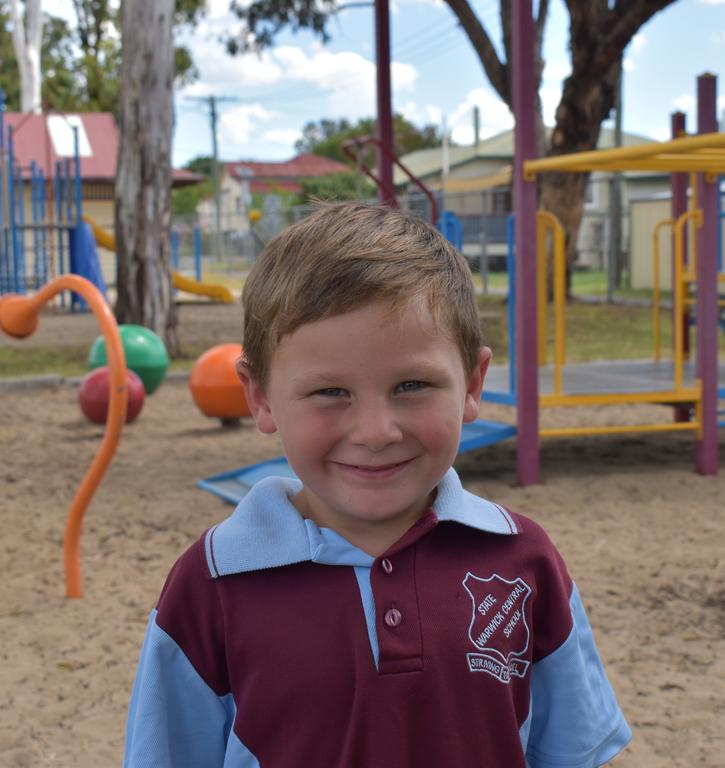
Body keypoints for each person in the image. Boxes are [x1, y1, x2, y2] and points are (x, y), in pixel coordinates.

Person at [123, 202, 631, 767]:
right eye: (330, 393)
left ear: (473, 383)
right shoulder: (211, 586)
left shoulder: (523, 560)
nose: (375, 432)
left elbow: (571, 752)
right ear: (260, 396)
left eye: (412, 385)